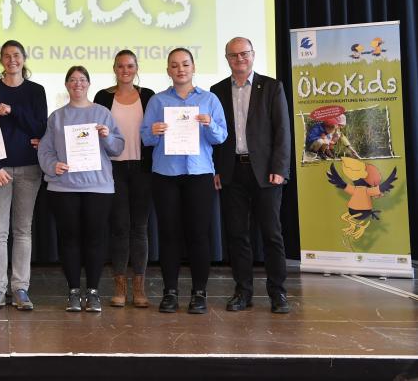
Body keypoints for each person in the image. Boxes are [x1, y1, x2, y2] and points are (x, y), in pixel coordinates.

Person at [140, 48, 227, 314]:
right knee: (168, 236)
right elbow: (145, 137)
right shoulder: (157, 101)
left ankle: (199, 293)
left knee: (199, 235)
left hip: (199, 175)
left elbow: (221, 137)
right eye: (175, 65)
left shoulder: (210, 99)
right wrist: (154, 131)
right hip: (165, 175)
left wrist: (209, 124)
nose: (180, 69)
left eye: (185, 64)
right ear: (168, 70)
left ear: (193, 67)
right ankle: (170, 292)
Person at [211, 37, 291, 314]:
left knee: (272, 235)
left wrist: (280, 169)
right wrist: (216, 169)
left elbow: (283, 131)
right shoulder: (217, 90)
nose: (239, 59)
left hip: (266, 173)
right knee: (237, 236)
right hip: (231, 171)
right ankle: (243, 292)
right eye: (233, 55)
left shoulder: (272, 87)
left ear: (253, 55)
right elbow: (214, 137)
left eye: (244, 53)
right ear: (227, 59)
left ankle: (278, 293)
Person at [39, 66, 124, 312]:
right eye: (73, 80)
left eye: (82, 80)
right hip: (64, 188)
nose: (78, 84)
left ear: (89, 84)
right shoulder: (57, 117)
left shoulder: (102, 113)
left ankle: (94, 293)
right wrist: (53, 165)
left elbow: (118, 147)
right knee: (70, 240)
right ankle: (74, 292)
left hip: (98, 187)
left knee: (96, 240)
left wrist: (107, 136)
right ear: (66, 85)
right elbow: (45, 150)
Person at [0, 40, 47, 311]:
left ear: (24, 58)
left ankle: (20, 289)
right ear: (1, 60)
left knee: (22, 231)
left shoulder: (36, 91)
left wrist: (13, 111)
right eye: (6, 56)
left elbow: (39, 128)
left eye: (16, 55)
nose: (11, 60)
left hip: (30, 170)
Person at [93, 49, 155, 308]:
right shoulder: (102, 97)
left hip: (143, 169)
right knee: (119, 229)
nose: (125, 70)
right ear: (114, 68)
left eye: (130, 66)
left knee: (139, 229)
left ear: (136, 68)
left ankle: (139, 289)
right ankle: (119, 288)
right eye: (120, 66)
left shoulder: (149, 96)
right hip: (113, 169)